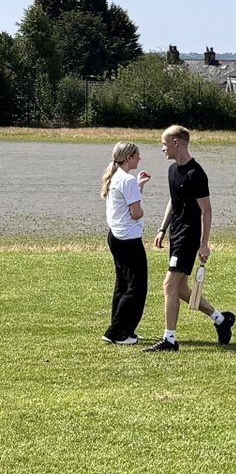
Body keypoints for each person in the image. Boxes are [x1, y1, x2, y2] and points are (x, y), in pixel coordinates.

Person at [145, 125, 236, 352]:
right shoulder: (172, 170)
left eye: (164, 144)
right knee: (182, 289)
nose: (162, 148)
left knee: (168, 285)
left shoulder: (196, 174)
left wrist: (204, 243)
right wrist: (161, 229)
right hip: (175, 235)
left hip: (189, 237)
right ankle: (221, 320)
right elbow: (173, 201)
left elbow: (206, 210)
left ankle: (169, 340)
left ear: (176, 143)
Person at [100, 141, 151, 345]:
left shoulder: (116, 177)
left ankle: (121, 329)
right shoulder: (127, 180)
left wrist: (139, 186)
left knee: (122, 284)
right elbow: (135, 212)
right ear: (128, 157)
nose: (139, 158)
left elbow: (126, 204)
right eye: (137, 155)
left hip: (115, 237)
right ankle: (117, 332)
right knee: (137, 287)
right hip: (128, 239)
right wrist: (141, 211)